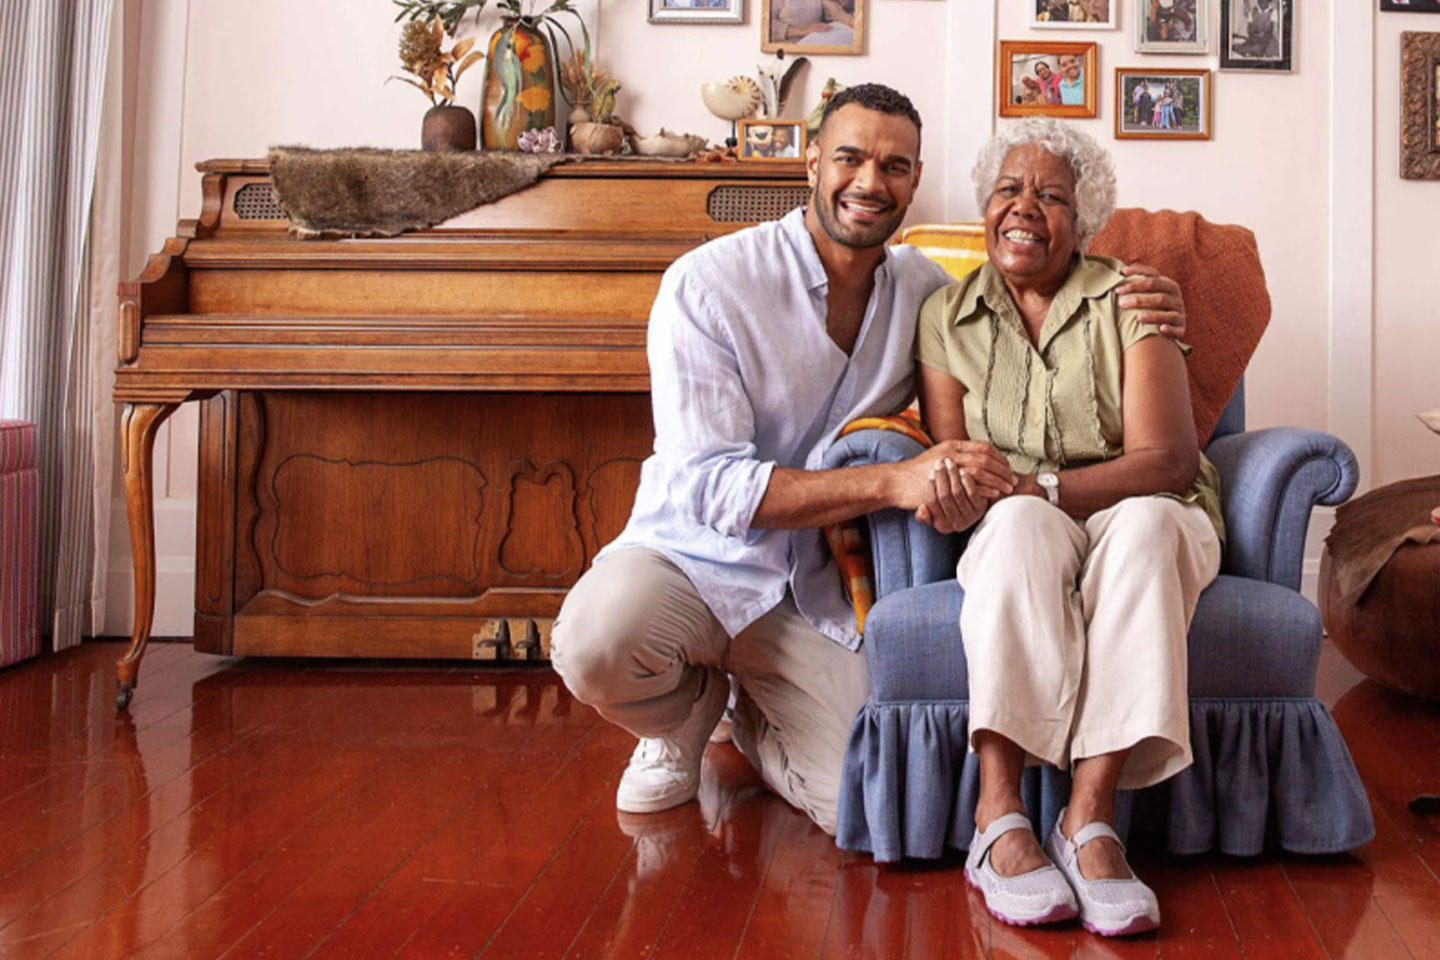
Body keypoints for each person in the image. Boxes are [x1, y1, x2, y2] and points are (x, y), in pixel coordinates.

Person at [549, 85, 1190, 839]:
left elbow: (1019, 310)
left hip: (809, 584)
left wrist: (1159, 300)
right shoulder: (710, 283)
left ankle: (745, 711)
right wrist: (895, 480)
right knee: (596, 643)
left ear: (915, 182)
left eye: (894, 166)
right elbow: (710, 488)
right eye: (849, 158)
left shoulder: (926, 291)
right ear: (811, 164)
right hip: (692, 559)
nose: (869, 182)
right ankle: (684, 717)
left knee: (858, 805)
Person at [913, 118, 1223, 936]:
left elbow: (1164, 462)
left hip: (1140, 505)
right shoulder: (945, 314)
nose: (1025, 207)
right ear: (985, 207)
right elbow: (959, 460)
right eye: (1009, 190)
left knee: (1151, 525)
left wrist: (1036, 481)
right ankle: (998, 818)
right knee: (1014, 524)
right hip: (1023, 512)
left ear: (1083, 223)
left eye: (1051, 195)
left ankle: (1089, 821)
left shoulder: (1134, 295)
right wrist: (966, 487)